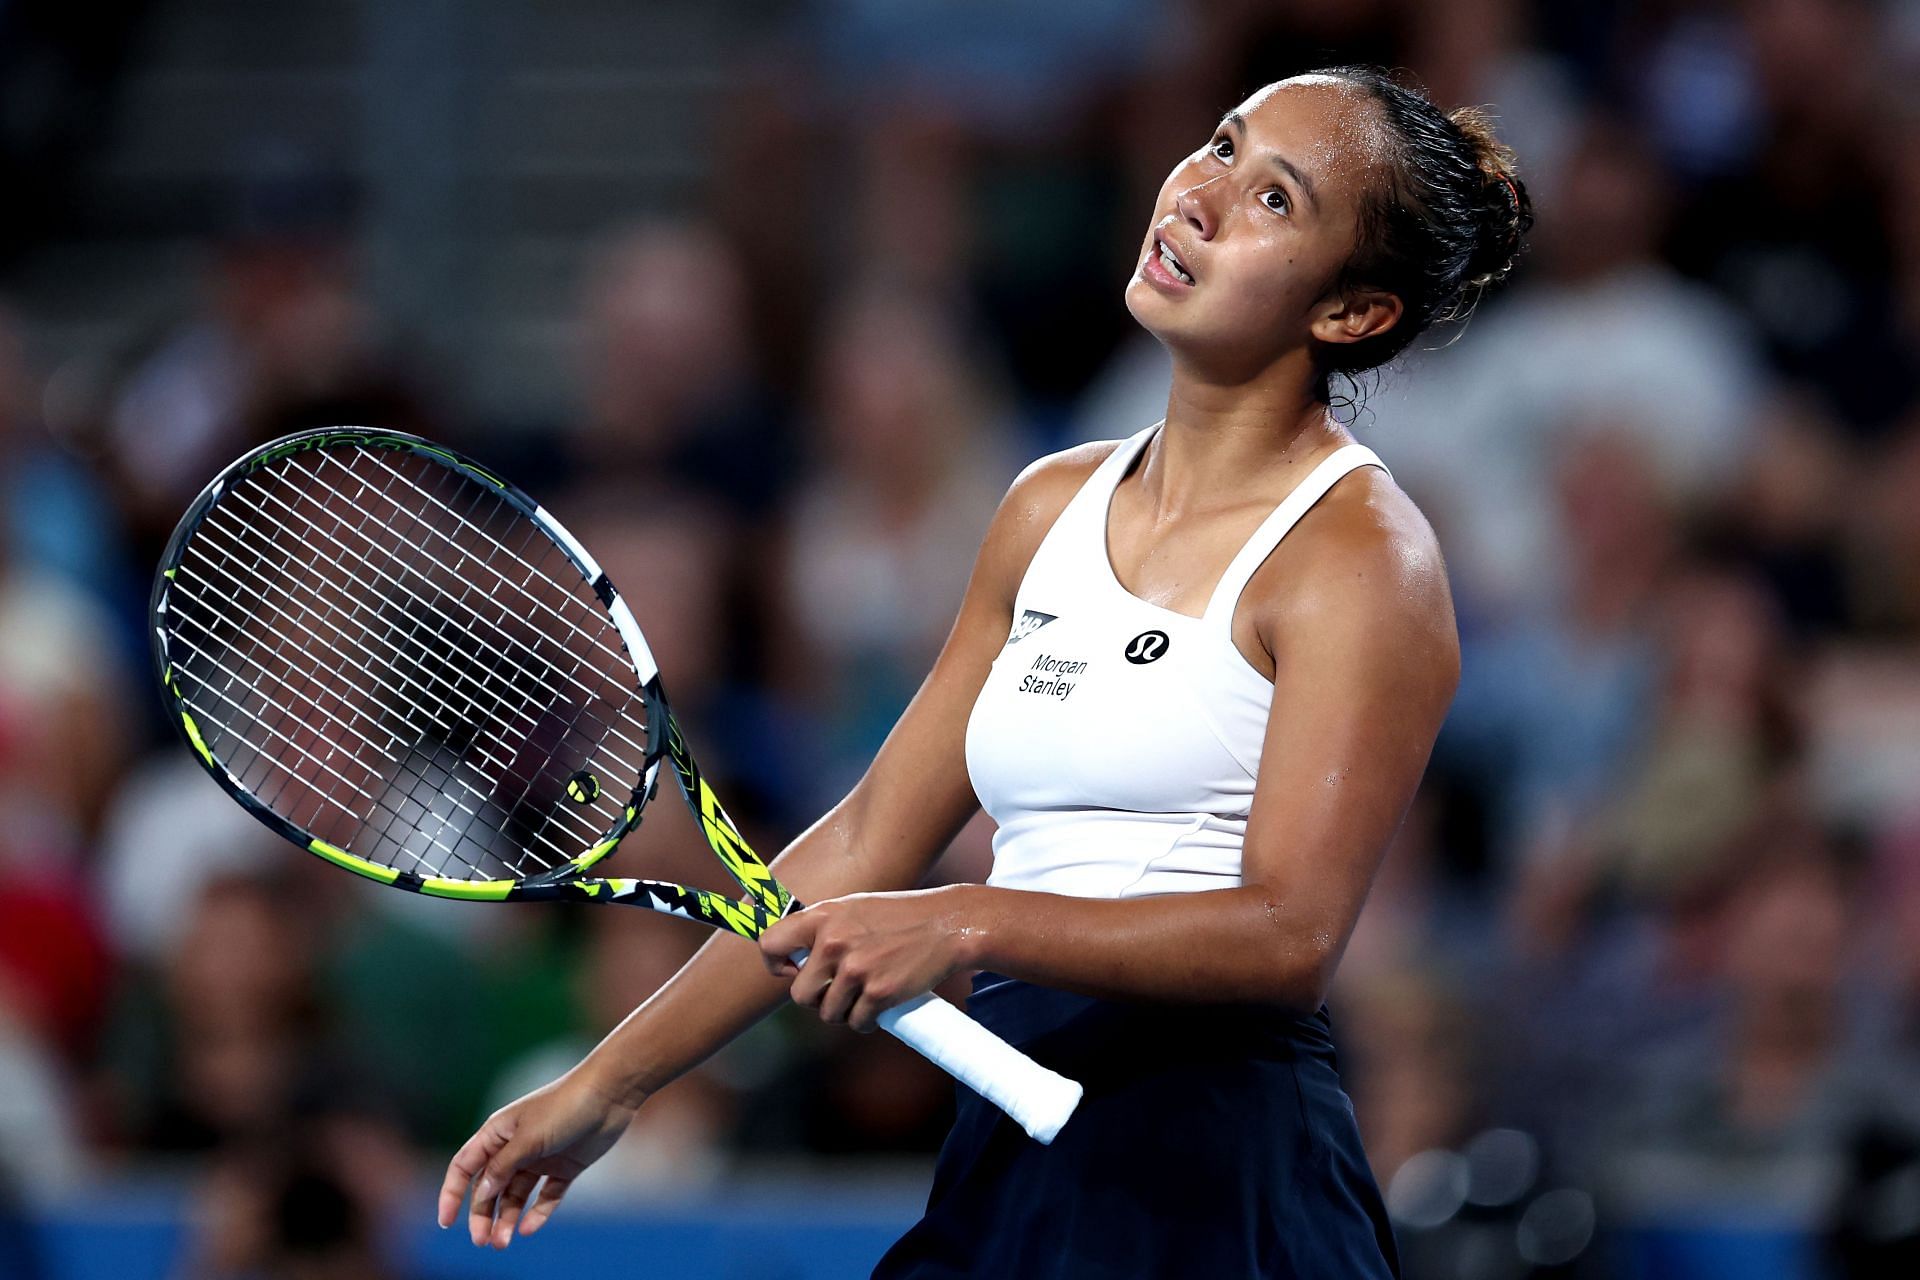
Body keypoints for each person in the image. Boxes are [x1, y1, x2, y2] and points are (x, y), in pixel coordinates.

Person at [436, 65, 1531, 1277]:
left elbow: (1288, 935)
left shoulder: (1364, 557)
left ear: (1353, 313)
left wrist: (964, 922)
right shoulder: (1044, 505)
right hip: (1015, 1146)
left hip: (1215, 1169)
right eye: (1221, 145)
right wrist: (611, 1083)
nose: (1202, 196)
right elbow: (862, 842)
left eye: (1275, 199)